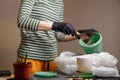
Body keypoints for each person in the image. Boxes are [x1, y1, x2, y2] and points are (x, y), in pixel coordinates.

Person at [17, 0, 97, 74]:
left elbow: (59, 36)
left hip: (52, 60)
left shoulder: (59, 2)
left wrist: (81, 34)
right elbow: (22, 20)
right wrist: (55, 25)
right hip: (30, 59)